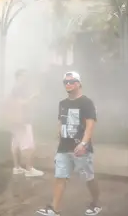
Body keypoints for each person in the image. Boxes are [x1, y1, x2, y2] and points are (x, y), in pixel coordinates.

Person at [36, 71, 102, 216]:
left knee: (88, 177)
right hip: (64, 147)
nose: (68, 84)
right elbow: (60, 121)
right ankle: (55, 209)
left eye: (71, 81)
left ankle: (95, 203)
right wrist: (58, 133)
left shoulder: (86, 102)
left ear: (78, 83)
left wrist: (84, 144)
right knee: (60, 177)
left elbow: (90, 125)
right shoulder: (63, 103)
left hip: (81, 148)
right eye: (65, 82)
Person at [7, 69, 44, 177]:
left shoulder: (15, 89)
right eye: (24, 76)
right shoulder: (18, 89)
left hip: (15, 121)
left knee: (15, 144)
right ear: (19, 77)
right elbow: (21, 103)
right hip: (22, 120)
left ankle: (17, 167)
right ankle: (29, 169)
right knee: (29, 146)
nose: (26, 78)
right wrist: (33, 96)